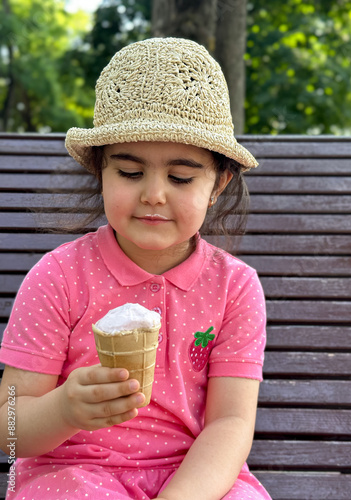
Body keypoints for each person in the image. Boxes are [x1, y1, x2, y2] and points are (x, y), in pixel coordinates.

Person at [0, 38, 271, 500]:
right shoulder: (59, 276)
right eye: (129, 172)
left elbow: (229, 423)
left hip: (193, 478)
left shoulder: (234, 287)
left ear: (219, 183)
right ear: (100, 170)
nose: (154, 194)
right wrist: (64, 410)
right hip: (74, 473)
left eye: (181, 177)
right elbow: (8, 426)